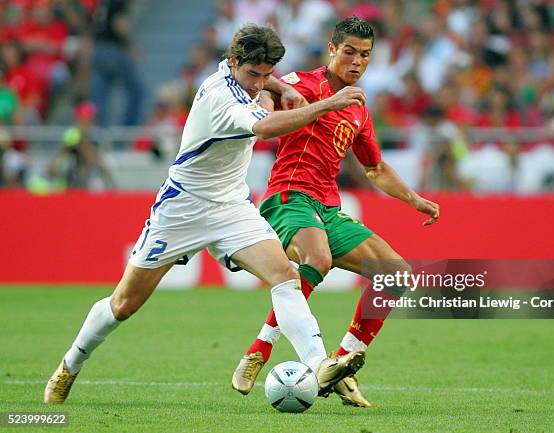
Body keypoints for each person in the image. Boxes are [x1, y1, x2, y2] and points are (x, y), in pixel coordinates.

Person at [44, 24, 370, 404]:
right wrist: (325, 103)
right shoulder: (220, 96)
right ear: (233, 63)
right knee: (124, 304)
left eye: (266, 75)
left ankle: (318, 364)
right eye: (253, 75)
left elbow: (265, 84)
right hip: (182, 208)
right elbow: (264, 128)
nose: (258, 83)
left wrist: (280, 87)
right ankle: (70, 363)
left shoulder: (244, 73)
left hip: (232, 205)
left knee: (285, 275)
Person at [231, 17, 440, 407]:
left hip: (327, 207)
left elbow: (375, 168)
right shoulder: (299, 83)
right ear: (332, 49)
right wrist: (269, 96)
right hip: (288, 197)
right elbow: (262, 115)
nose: (357, 62)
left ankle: (341, 363)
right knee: (318, 258)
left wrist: (414, 199)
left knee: (395, 273)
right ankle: (258, 349)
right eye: (349, 52)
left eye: (365, 55)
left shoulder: (359, 110)